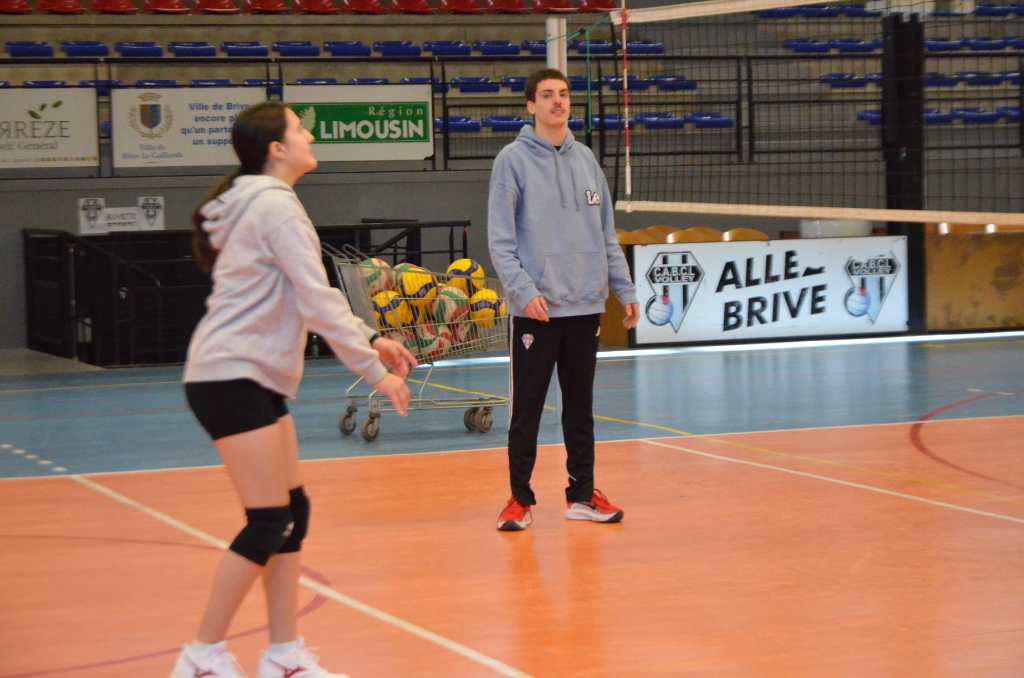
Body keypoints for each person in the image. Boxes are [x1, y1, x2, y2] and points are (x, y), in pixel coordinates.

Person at [172, 101, 417, 677]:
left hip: (246, 374)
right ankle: (201, 657)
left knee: (291, 512)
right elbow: (315, 298)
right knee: (266, 520)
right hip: (230, 374)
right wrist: (374, 370)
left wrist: (370, 336)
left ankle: (283, 656)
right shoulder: (275, 206)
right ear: (276, 149)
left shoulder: (263, 202)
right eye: (300, 129)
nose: (310, 136)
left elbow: (308, 296)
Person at [487, 68, 640, 532]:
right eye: (547, 95)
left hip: (585, 306)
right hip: (537, 311)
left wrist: (625, 290)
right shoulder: (512, 161)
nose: (558, 101)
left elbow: (605, 235)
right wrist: (524, 291)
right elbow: (500, 242)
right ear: (530, 105)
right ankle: (519, 499)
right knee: (527, 410)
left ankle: (582, 495)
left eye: (564, 94)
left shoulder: (587, 160)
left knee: (580, 410)